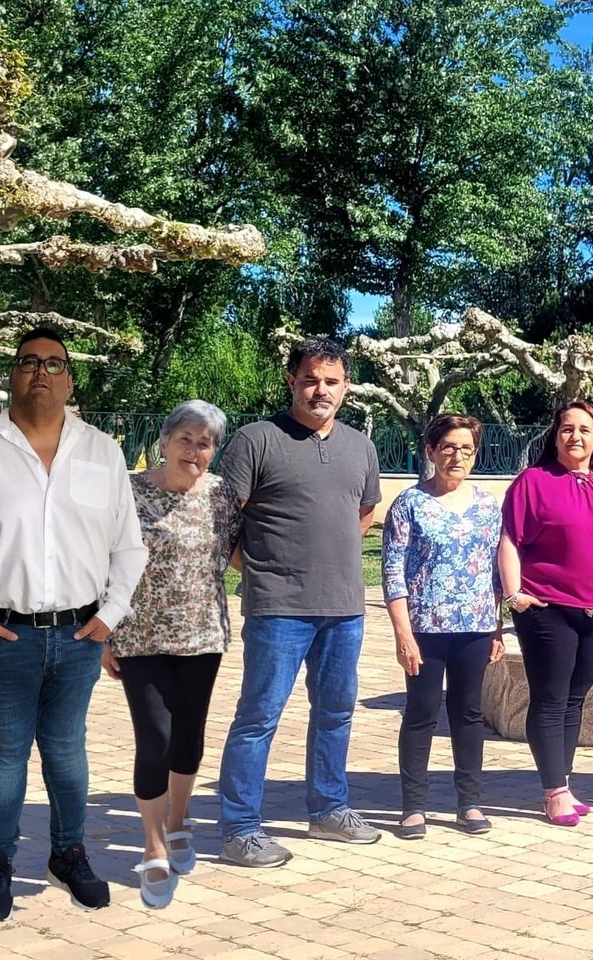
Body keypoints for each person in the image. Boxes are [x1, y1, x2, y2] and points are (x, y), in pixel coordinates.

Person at [0, 327, 147, 921]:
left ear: (69, 379)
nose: (41, 373)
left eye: (54, 364)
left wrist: (110, 615)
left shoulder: (102, 452)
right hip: (6, 636)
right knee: (6, 752)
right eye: (29, 362)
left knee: (67, 751)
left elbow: (128, 546)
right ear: (12, 376)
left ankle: (67, 853)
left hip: (79, 635)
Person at [215, 337, 383, 867]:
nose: (320, 390)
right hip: (278, 609)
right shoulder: (256, 440)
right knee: (259, 716)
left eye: (332, 381)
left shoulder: (361, 446)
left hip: (344, 608)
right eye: (310, 379)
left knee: (335, 712)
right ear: (292, 380)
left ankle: (329, 808)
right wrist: (263, 571)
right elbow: (222, 520)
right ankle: (240, 828)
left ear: (346, 387)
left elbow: (363, 515)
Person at [101, 400, 241, 907]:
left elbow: (240, 555)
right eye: (185, 438)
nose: (194, 450)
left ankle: (179, 821)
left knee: (189, 736)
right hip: (140, 636)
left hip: (203, 636)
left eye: (204, 443)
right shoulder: (129, 492)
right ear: (164, 441)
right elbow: (101, 562)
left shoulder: (222, 495)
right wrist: (102, 632)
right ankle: (154, 844)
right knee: (154, 739)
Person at [499, 401, 593, 826]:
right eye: (567, 429)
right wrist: (514, 595)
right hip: (547, 608)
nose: (575, 436)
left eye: (585, 430)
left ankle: (564, 783)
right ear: (555, 437)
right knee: (551, 698)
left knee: (575, 698)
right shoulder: (533, 482)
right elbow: (510, 540)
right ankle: (553, 791)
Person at [383, 414, 505, 838]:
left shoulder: (488, 506)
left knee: (468, 713)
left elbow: (494, 572)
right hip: (424, 630)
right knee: (421, 713)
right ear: (431, 451)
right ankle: (413, 807)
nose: (457, 456)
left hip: (475, 628)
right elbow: (393, 573)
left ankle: (469, 803)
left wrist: (497, 627)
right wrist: (403, 634)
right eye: (448, 447)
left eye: (466, 449)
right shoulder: (409, 504)